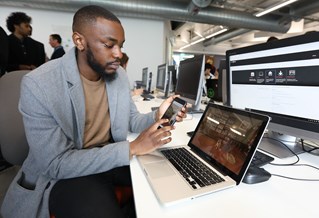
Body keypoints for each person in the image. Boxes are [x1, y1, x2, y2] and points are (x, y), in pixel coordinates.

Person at [1, 5, 186, 218]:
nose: (118, 54)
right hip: (68, 174)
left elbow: (131, 120)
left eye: (120, 45)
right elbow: (56, 164)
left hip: (110, 160)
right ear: (80, 41)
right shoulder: (39, 84)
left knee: (173, 175)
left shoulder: (118, 76)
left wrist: (156, 116)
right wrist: (132, 148)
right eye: (109, 45)